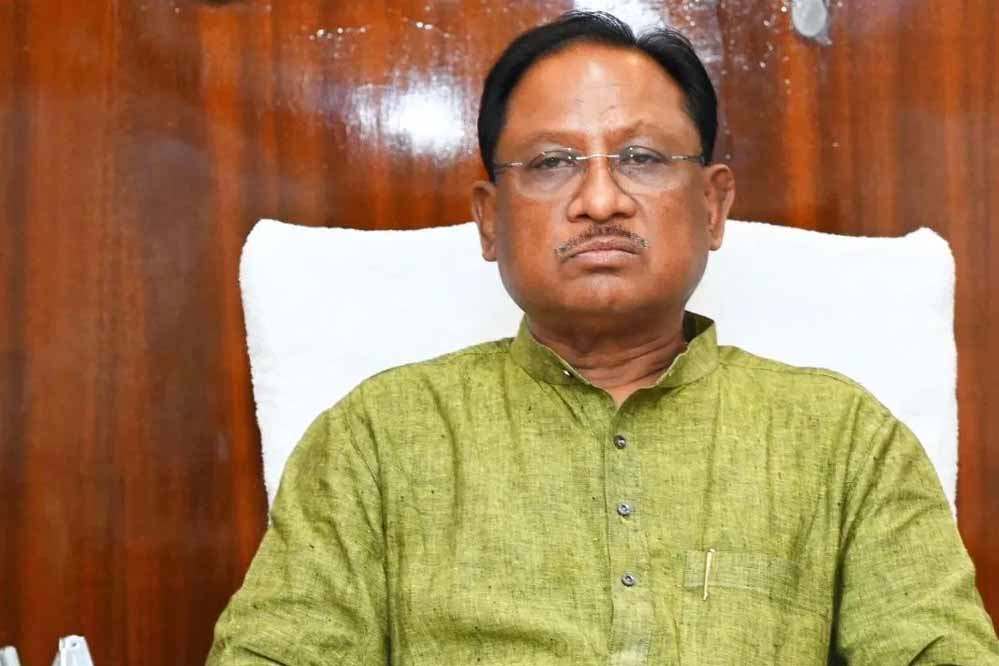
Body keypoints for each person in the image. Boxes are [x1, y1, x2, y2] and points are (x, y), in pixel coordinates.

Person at [207, 11, 999, 665]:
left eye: (641, 158)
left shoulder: (843, 439)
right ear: (489, 219)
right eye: (552, 162)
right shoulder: (377, 438)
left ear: (712, 205)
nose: (599, 200)